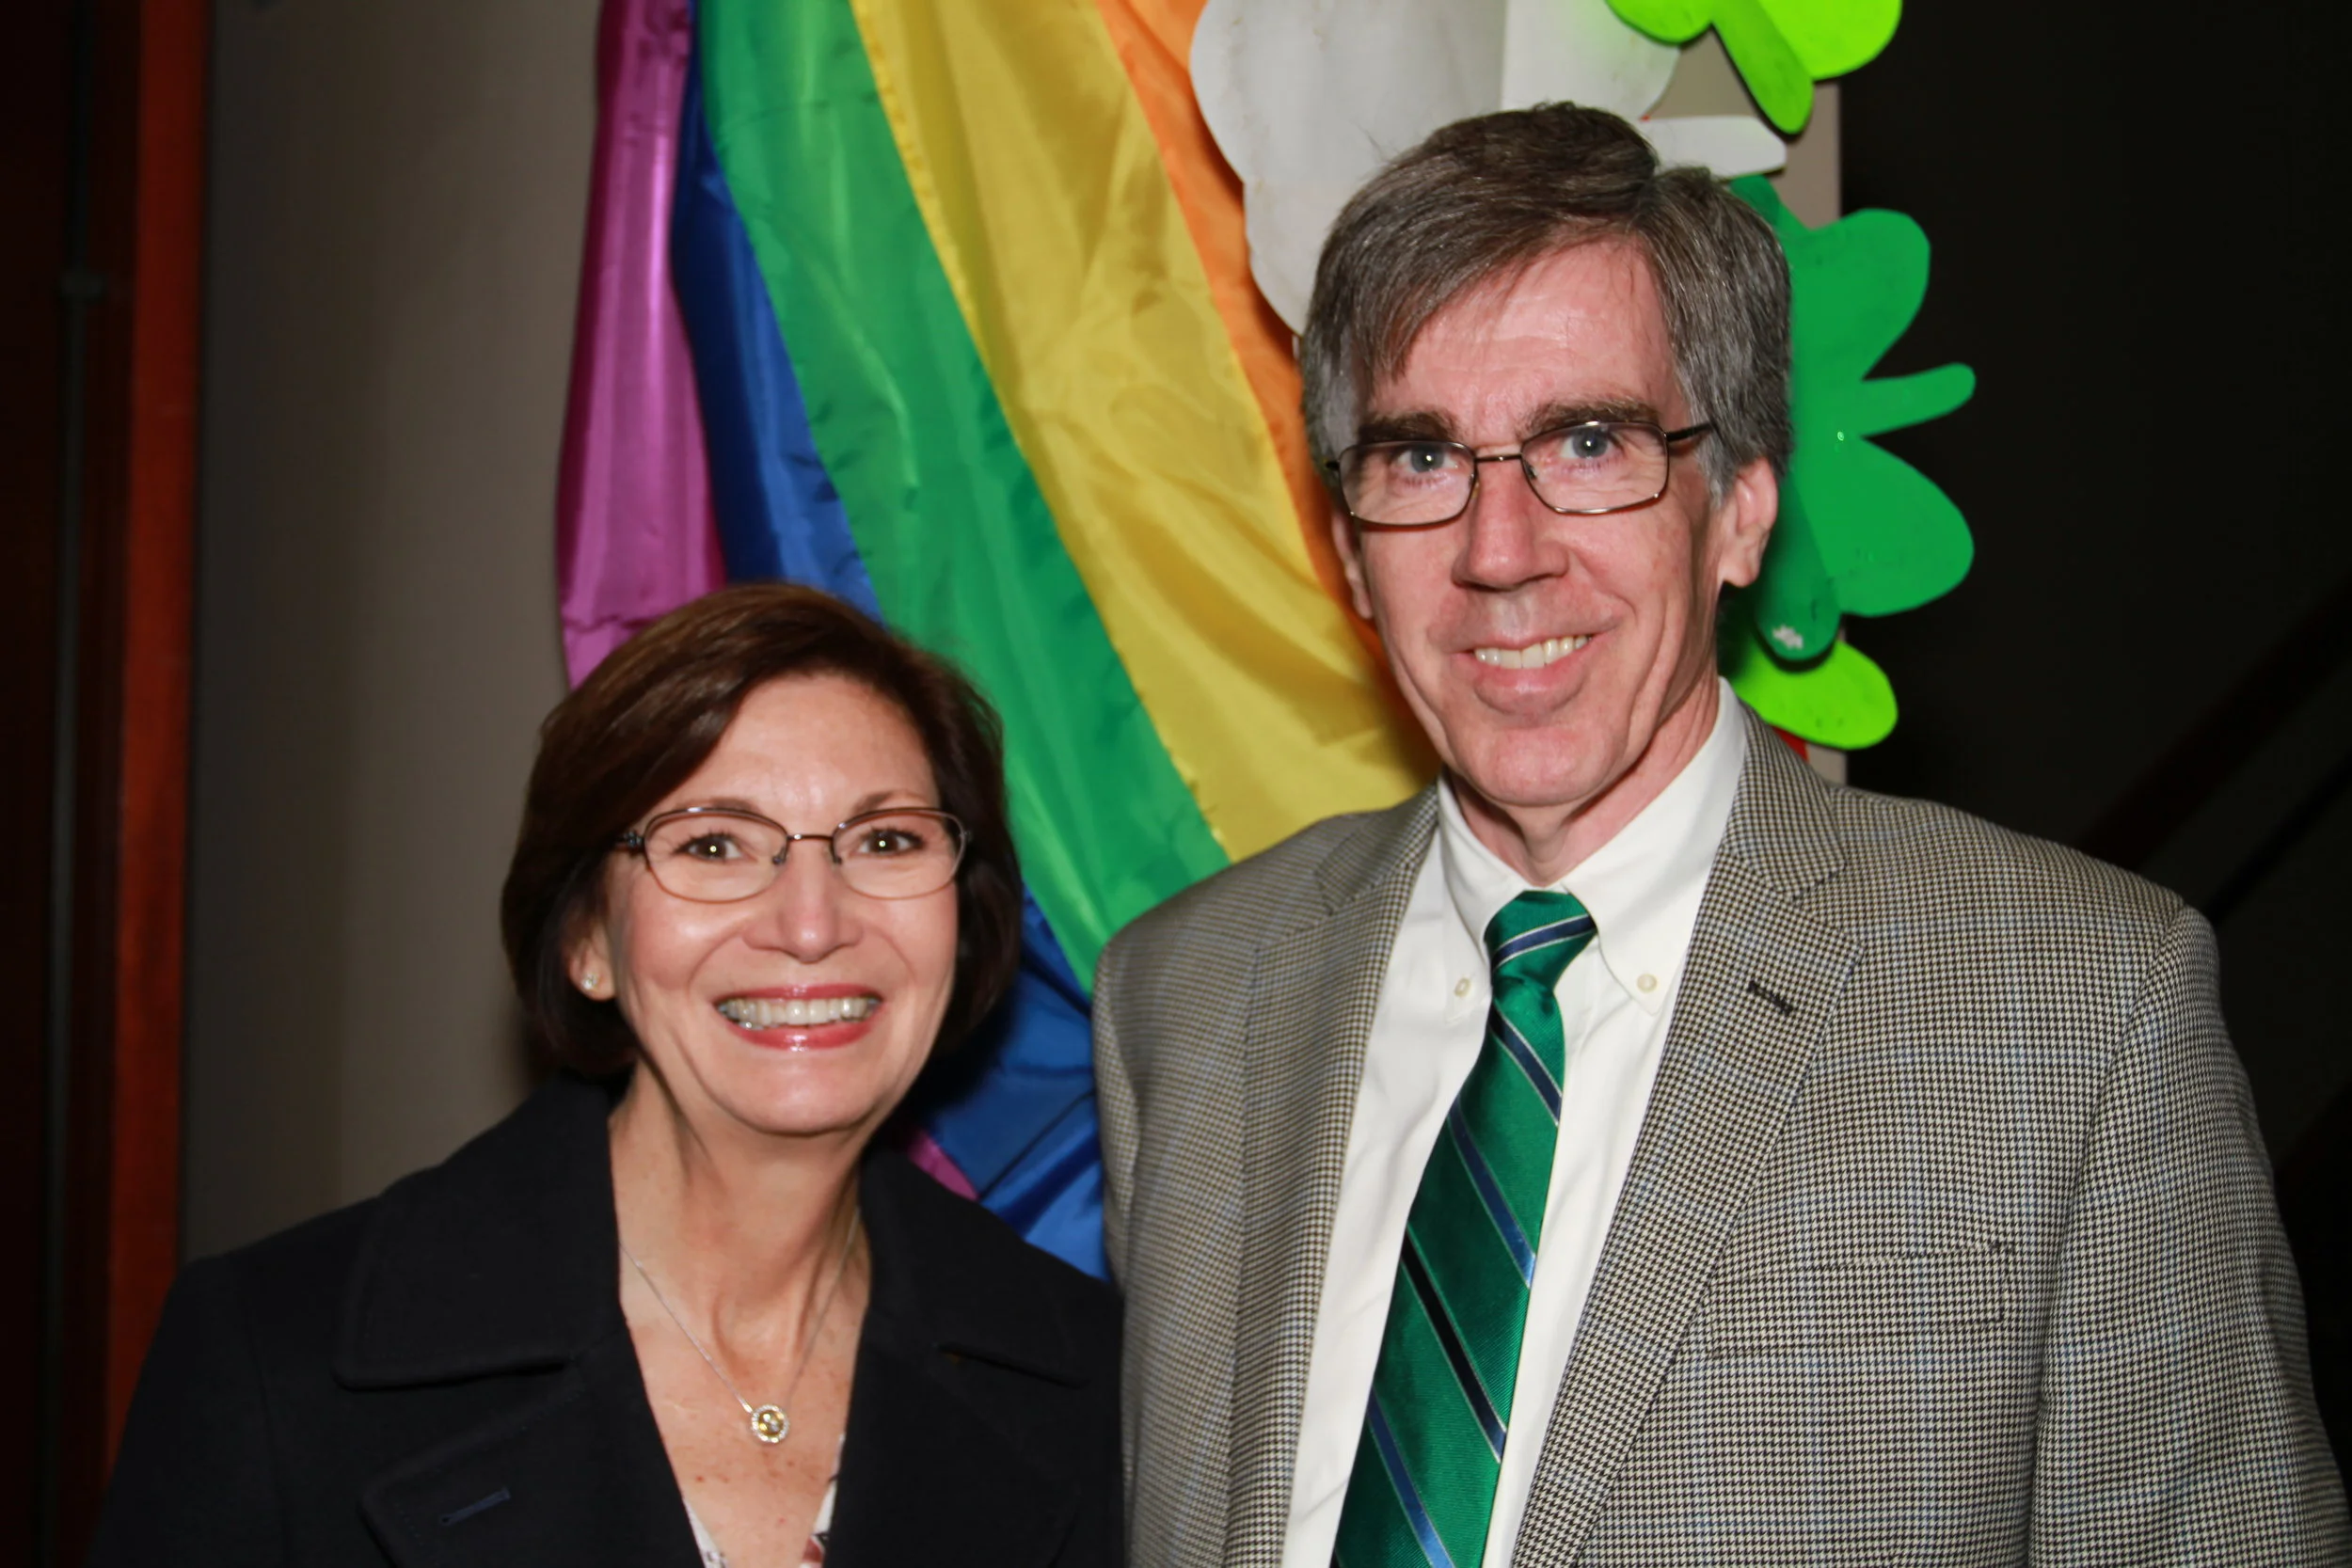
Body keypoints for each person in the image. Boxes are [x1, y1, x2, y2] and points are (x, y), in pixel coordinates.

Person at [1093, 103, 2345, 1566]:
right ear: (1352, 554)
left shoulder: (2078, 1010)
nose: (1500, 551)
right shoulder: (1185, 996)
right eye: (1422, 458)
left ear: (1742, 509)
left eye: (1588, 440)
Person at [94, 584, 1122, 1567]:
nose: (812, 924)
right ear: (587, 936)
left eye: (886, 839)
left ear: (962, 922)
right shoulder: (273, 1356)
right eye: (713, 844)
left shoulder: (1096, 1372)